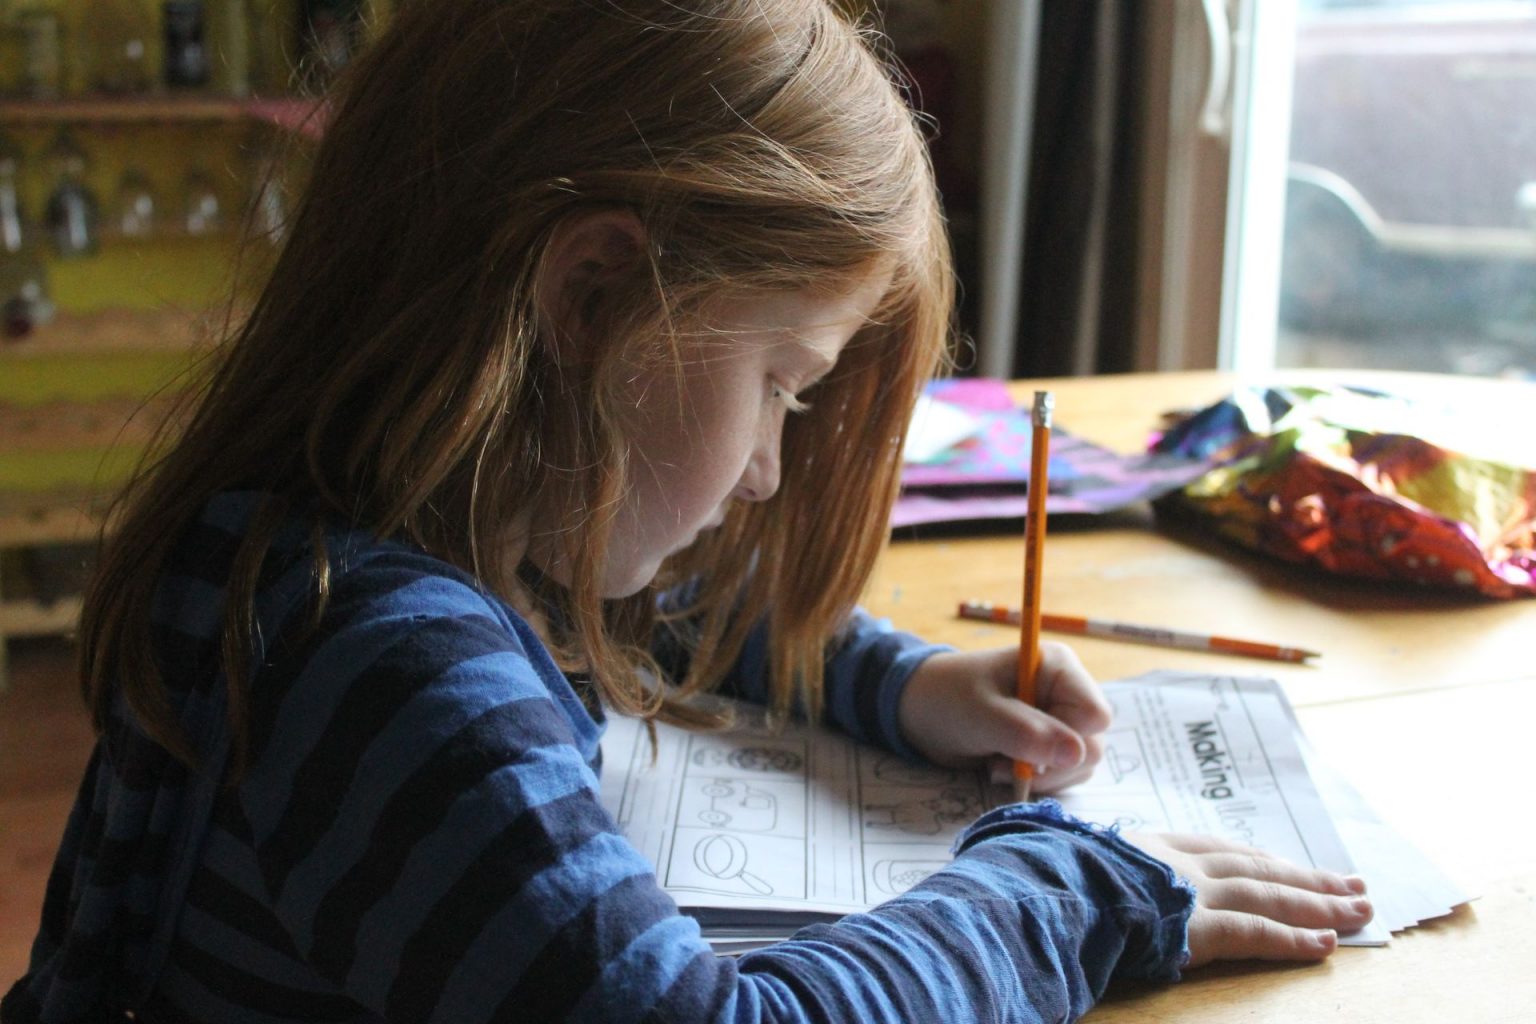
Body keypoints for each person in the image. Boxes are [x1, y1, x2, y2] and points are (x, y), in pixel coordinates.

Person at [3, 1, 1373, 1021]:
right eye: (783, 384)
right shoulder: (386, 669)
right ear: (591, 298)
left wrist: (903, 684)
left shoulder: (351, 525)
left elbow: (645, 611)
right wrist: (1068, 889)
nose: (772, 468)